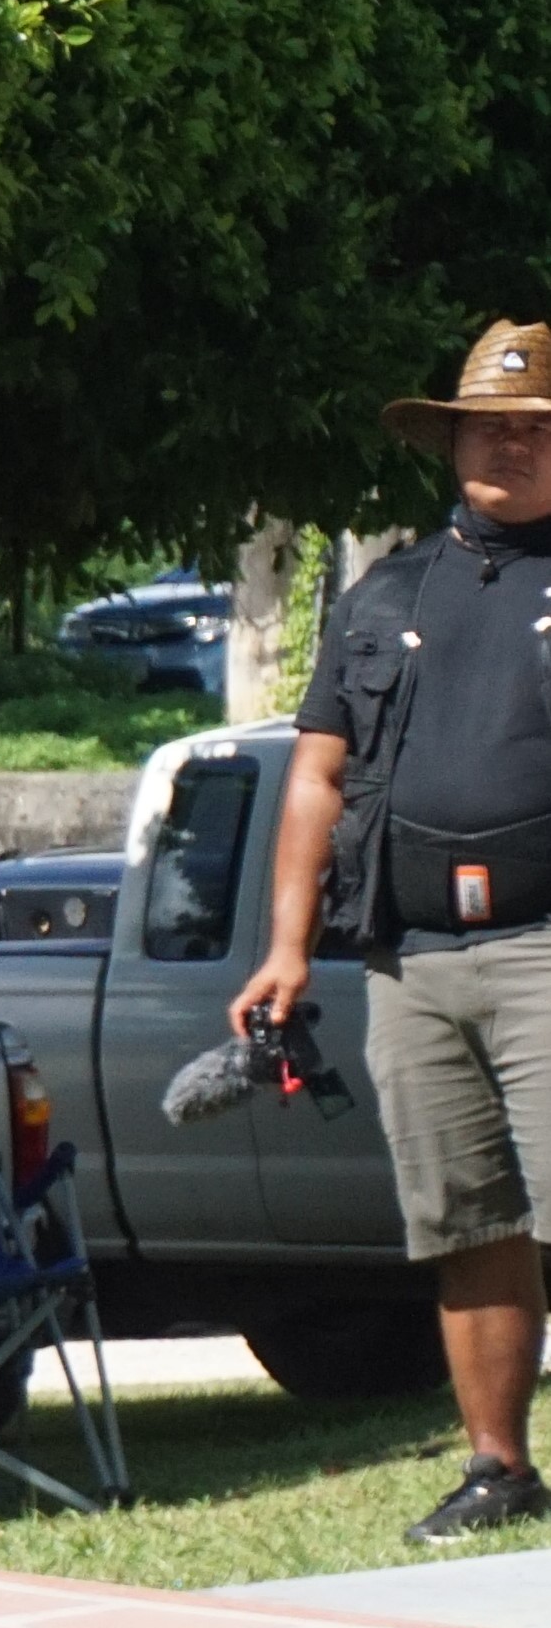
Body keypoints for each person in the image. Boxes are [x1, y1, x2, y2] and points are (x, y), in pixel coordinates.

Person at [236, 320, 551, 1543]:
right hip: (413, 957)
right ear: (449, 439)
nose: (506, 448)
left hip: (542, 940)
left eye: (531, 431)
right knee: (463, 1220)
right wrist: (285, 945)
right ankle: (495, 1466)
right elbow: (316, 774)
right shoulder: (389, 590)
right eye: (486, 427)